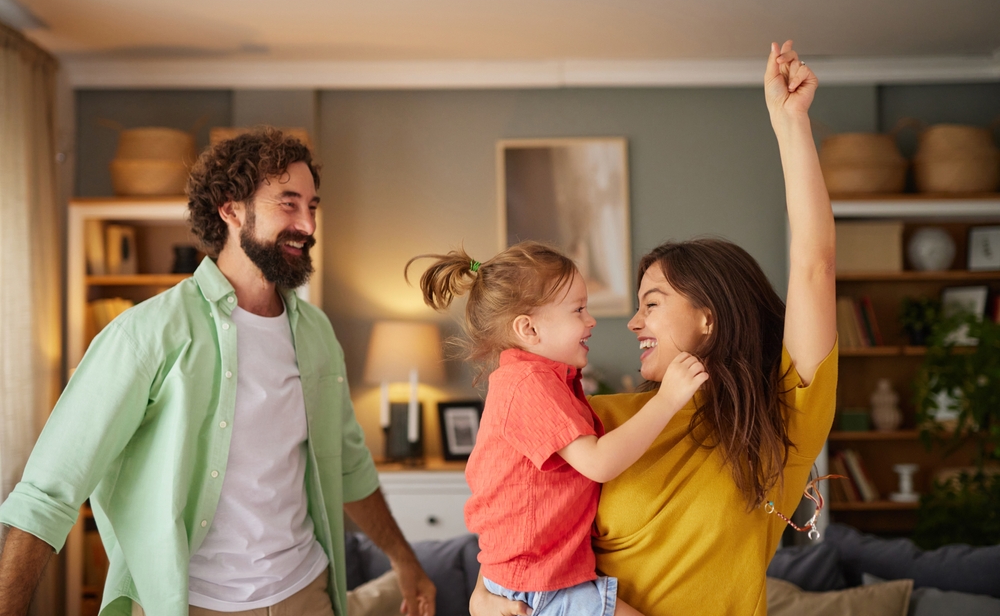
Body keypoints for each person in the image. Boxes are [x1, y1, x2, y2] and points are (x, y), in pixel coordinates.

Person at [0, 129, 436, 616]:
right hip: (191, 603)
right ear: (230, 209)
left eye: (312, 205)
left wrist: (404, 558)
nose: (308, 224)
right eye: (288, 204)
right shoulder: (146, 334)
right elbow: (47, 492)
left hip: (307, 593)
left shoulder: (315, 333)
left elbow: (348, 465)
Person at [471, 40, 837, 615]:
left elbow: (815, 264)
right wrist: (483, 598)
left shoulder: (781, 415)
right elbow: (517, 531)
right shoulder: (599, 418)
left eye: (654, 303)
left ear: (708, 316)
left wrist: (789, 123)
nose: (632, 321)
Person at [408, 242, 709, 616]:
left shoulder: (546, 381)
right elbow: (598, 462)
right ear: (529, 328)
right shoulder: (528, 384)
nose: (591, 320)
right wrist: (668, 399)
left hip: (541, 578)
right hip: (538, 587)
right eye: (578, 310)